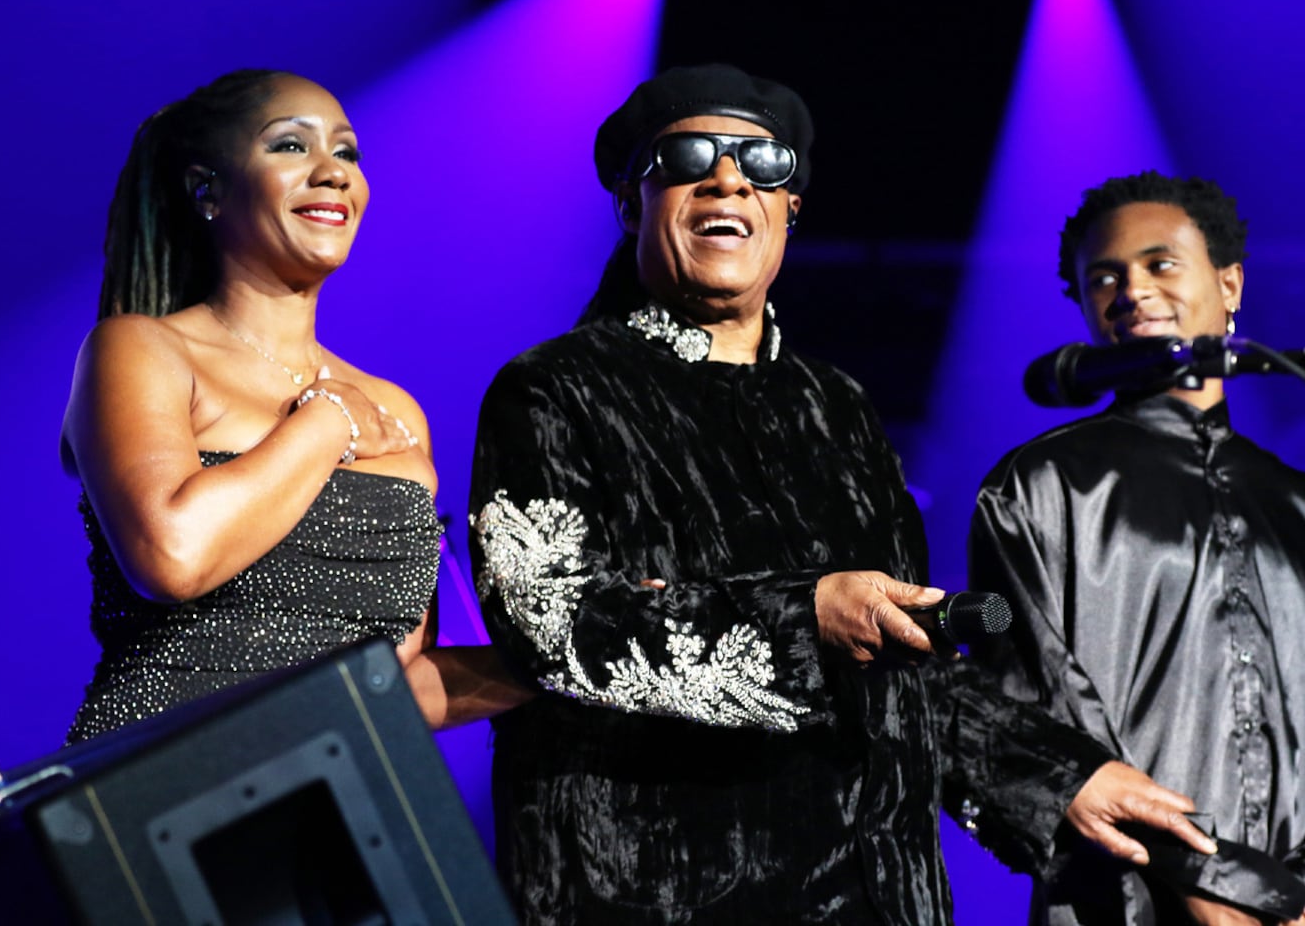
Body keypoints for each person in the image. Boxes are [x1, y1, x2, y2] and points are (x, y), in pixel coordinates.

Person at [467, 64, 1216, 925]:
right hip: (655, 895)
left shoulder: (838, 408)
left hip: (876, 891)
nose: (728, 177)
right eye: (689, 156)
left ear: (789, 210)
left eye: (764, 162)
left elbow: (906, 663)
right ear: (633, 205)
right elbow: (550, 626)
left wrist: (1061, 774)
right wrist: (805, 617)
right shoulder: (557, 390)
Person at [969, 172, 1305, 925]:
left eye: (1160, 264)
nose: (1132, 291)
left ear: (1230, 285)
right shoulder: (1038, 487)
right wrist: (1219, 888)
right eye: (1104, 278)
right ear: (1083, 308)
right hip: (1121, 907)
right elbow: (1039, 710)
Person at [62, 69, 523, 742]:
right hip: (166, 787)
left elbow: (393, 683)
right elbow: (174, 554)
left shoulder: (396, 409)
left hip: (342, 796)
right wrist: (326, 421)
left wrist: (563, 662)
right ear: (208, 190)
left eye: (347, 152)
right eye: (290, 146)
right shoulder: (142, 350)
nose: (334, 172)